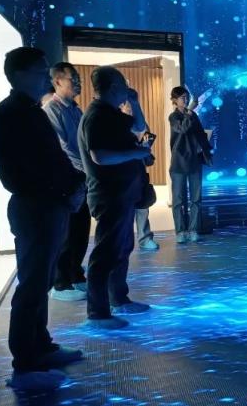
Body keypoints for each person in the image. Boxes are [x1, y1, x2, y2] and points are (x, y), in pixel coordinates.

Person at [0, 47, 85, 390]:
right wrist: (67, 189)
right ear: (19, 75)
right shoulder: (11, 113)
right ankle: (25, 363)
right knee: (32, 285)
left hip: (48, 205)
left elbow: (52, 158)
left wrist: (72, 186)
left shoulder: (28, 109)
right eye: (40, 72)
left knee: (40, 282)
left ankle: (40, 348)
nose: (47, 77)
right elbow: (26, 170)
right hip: (36, 207)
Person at [79, 66, 151, 330]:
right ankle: (98, 313)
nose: (127, 88)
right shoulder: (97, 115)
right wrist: (136, 154)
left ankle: (118, 298)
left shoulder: (111, 113)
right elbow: (100, 156)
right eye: (123, 84)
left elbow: (139, 127)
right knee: (105, 253)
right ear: (112, 87)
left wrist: (135, 102)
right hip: (109, 194)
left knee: (121, 248)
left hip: (122, 193)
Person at [43, 62, 90, 301]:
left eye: (79, 78)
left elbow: (83, 142)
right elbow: (63, 147)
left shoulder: (75, 109)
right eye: (74, 79)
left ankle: (75, 274)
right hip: (68, 178)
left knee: (81, 230)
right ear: (57, 81)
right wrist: (87, 168)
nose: (78, 82)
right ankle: (60, 283)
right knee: (67, 232)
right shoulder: (51, 109)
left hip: (82, 177)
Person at [169, 86, 212, 243]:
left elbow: (201, 134)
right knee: (178, 200)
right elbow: (182, 129)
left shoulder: (193, 115)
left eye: (186, 97)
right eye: (182, 97)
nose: (186, 100)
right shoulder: (173, 117)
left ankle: (193, 229)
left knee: (196, 198)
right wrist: (189, 112)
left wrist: (206, 149)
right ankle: (180, 231)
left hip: (194, 160)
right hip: (179, 162)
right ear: (174, 100)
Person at [120, 87, 159, 250]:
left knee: (143, 206)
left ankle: (145, 238)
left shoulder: (142, 124)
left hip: (140, 170)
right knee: (125, 209)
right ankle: (124, 239)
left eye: (132, 105)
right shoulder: (118, 124)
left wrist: (146, 152)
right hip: (123, 172)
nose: (130, 108)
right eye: (127, 105)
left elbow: (147, 146)